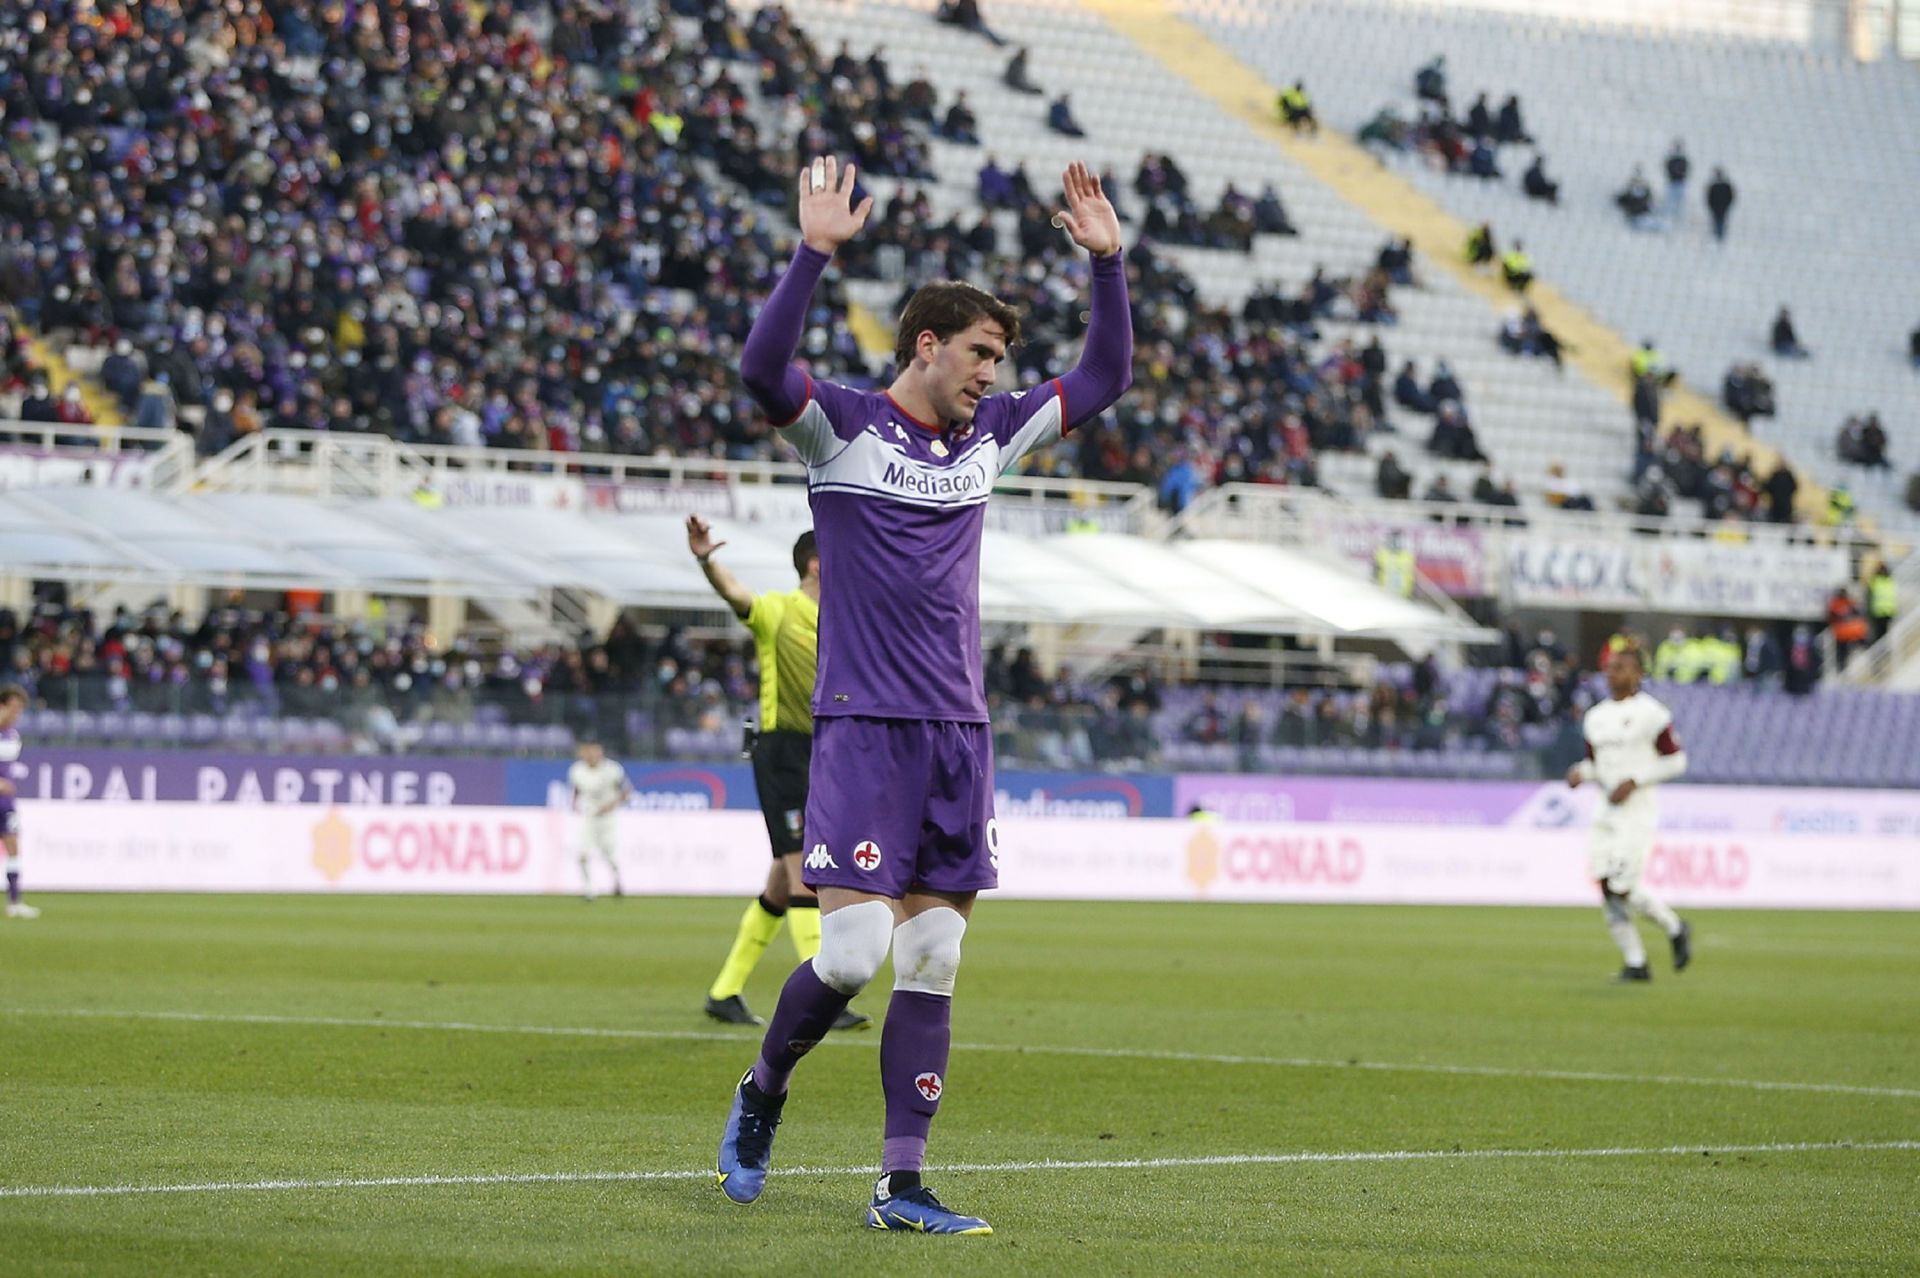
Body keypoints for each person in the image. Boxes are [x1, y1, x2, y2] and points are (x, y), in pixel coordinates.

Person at [716, 156, 1131, 1233]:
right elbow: (762, 372)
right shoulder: (842, 425)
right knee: (851, 954)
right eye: (981, 353)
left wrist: (1110, 266)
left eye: (1003, 357)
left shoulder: (989, 439)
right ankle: (763, 1092)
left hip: (959, 736)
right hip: (862, 735)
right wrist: (813, 254)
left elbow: (1103, 379)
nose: (995, 373)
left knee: (936, 959)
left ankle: (901, 1182)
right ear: (926, 346)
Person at [690, 517, 869, 1033]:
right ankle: (826, 997)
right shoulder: (778, 611)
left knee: (780, 882)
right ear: (816, 564)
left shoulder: (843, 621)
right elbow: (735, 593)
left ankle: (724, 992)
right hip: (782, 752)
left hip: (825, 752)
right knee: (804, 873)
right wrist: (706, 559)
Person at [1566, 645, 1691, 982]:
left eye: (1621, 668)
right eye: (1609, 667)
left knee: (1621, 887)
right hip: (1605, 809)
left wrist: (1635, 781)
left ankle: (1675, 926)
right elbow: (1596, 764)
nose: (1612, 673)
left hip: (1636, 810)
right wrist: (1581, 773)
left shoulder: (1652, 714)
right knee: (1606, 885)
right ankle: (1636, 963)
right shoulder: (1595, 716)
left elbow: (1677, 761)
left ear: (1638, 675)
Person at [567, 739, 631, 902]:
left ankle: (617, 883)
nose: (591, 755)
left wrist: (611, 805)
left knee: (610, 855)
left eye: (595, 751)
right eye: (588, 751)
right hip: (589, 817)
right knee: (582, 854)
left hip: (608, 818)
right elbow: (577, 788)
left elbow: (626, 791)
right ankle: (589, 890)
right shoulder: (577, 771)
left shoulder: (612, 770)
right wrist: (574, 802)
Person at [0, 685, 37, 919]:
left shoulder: (13, 736)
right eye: (13, 707)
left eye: (20, 709)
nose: (16, 713)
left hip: (5, 801)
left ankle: (15, 902)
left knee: (13, 846)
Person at [1374, 531, 1416, 598]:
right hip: (1384, 595)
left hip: (1403, 595)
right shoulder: (1382, 553)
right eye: (1393, 539)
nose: (1395, 542)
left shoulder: (1407, 555)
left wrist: (1410, 593)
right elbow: (1375, 573)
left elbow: (1411, 576)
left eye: (1398, 540)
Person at [1868, 561, 1898, 646]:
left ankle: (1883, 649)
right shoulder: (1890, 580)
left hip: (1881, 611)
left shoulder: (1876, 580)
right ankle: (1883, 649)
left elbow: (1870, 583)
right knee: (1882, 634)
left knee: (1881, 634)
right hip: (1886, 611)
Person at [1663, 140, 1690, 222]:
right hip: (1672, 183)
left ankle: (1679, 220)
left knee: (1681, 204)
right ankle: (1669, 220)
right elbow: (1668, 169)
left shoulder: (1683, 160)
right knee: (1670, 204)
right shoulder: (1671, 159)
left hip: (1680, 183)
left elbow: (1685, 170)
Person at [1706, 168, 1735, 241]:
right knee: (1718, 221)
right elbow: (1710, 197)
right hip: (1718, 207)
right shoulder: (1718, 185)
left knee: (1720, 221)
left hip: (1721, 207)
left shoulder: (1723, 185)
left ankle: (1719, 236)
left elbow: (1730, 196)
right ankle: (1718, 235)